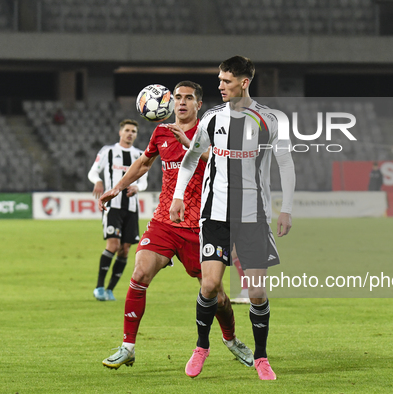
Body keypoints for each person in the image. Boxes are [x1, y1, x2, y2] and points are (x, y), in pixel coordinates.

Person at [99, 81, 253, 370]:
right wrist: (117, 187)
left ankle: (231, 340)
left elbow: (228, 166)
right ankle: (128, 346)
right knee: (140, 271)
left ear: (199, 105)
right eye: (178, 97)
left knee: (216, 295)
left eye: (188, 98)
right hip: (165, 222)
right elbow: (144, 163)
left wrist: (191, 145)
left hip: (201, 227)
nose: (181, 103)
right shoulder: (161, 132)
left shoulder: (212, 133)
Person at [170, 56, 295, 380]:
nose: (220, 85)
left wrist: (288, 208)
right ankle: (201, 347)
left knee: (256, 293)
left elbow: (286, 165)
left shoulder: (270, 119)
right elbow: (191, 158)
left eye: (226, 80)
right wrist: (179, 196)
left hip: (254, 217)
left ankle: (262, 357)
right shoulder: (211, 118)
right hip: (215, 214)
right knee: (210, 284)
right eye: (220, 79)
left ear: (244, 82)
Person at [88, 119, 148, 301]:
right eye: (127, 130)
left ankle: (110, 289)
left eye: (133, 131)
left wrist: (138, 187)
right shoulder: (108, 151)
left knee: (125, 250)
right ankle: (99, 287)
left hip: (131, 207)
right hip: (112, 206)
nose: (130, 134)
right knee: (113, 245)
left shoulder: (140, 154)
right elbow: (93, 172)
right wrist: (97, 181)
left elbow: (144, 180)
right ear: (120, 132)